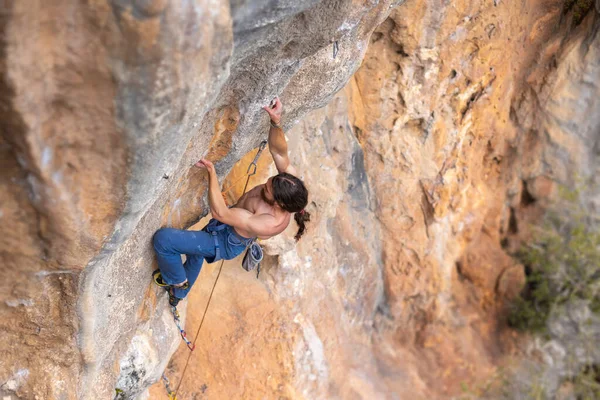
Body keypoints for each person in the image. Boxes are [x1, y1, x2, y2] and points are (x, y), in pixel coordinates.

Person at [152, 98, 310, 306]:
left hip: (225, 241)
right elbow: (279, 152)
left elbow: (221, 214)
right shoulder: (288, 183)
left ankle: (177, 282)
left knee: (164, 240)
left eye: (268, 189)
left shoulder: (269, 221)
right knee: (196, 252)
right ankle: (180, 295)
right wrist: (275, 122)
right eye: (269, 181)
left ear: (278, 204)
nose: (265, 185)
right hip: (230, 222)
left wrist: (211, 172)